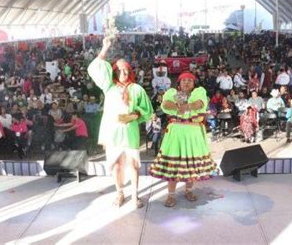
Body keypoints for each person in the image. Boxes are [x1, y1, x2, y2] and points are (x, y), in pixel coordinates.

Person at [87, 36, 153, 209]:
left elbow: (147, 110)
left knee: (133, 165)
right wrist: (104, 49)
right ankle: (119, 193)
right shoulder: (108, 86)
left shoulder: (137, 89)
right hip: (113, 133)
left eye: (125, 70)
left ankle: (135, 195)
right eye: (119, 71)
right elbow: (95, 68)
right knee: (116, 165)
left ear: (130, 71)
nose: (122, 74)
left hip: (130, 131)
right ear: (114, 72)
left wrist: (134, 116)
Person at [149, 72, 218, 208]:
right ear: (179, 83)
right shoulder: (171, 91)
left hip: (193, 131)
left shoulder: (199, 91)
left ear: (194, 84)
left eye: (190, 80)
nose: (187, 82)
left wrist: (183, 106)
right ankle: (171, 195)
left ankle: (189, 190)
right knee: (174, 165)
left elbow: (199, 104)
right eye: (184, 80)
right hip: (176, 131)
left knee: (191, 164)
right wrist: (185, 105)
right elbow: (167, 104)